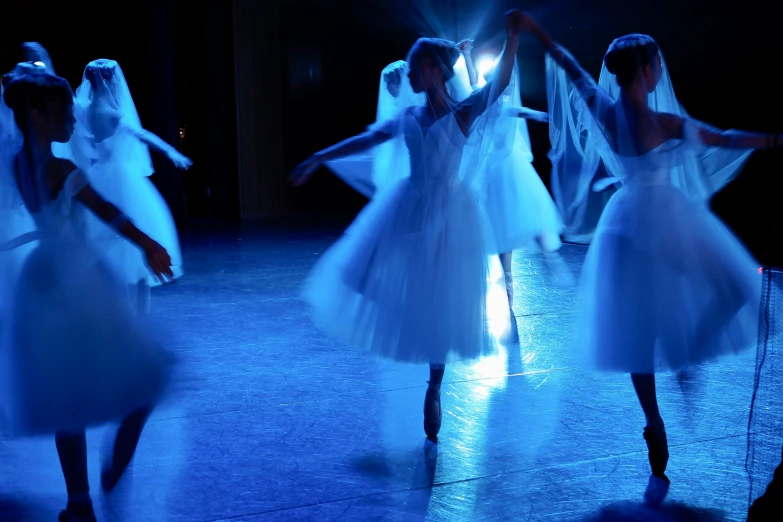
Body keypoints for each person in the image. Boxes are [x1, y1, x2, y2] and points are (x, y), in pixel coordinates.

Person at [520, 13, 783, 481]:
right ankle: (687, 364)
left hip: (626, 226)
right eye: (656, 64)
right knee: (731, 290)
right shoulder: (664, 121)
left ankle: (655, 416)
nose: (661, 71)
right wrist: (771, 139)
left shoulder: (605, 110)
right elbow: (721, 139)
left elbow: (567, 64)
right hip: (666, 220)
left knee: (638, 330)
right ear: (645, 70)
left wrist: (535, 31)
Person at [289, 11, 531, 440]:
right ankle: (397, 312)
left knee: (442, 303)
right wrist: (318, 157)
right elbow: (367, 137)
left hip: (452, 213)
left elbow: (500, 84)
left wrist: (512, 40)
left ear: (436, 71)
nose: (411, 73)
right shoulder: (409, 118)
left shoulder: (463, 111)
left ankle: (434, 388)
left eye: (416, 65)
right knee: (361, 272)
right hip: (411, 203)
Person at [0, 72, 174, 522]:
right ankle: (111, 468)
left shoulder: (18, 161)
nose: (74, 123)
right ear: (37, 115)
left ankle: (79, 503)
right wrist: (149, 244)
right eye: (64, 114)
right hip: (80, 278)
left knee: (64, 394)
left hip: (45, 278)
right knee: (148, 375)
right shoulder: (59, 168)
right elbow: (109, 212)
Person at [69, 59, 191, 315]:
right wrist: (171, 152)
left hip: (99, 177)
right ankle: (138, 323)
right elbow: (143, 135)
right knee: (135, 264)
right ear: (113, 81)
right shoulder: (114, 113)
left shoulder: (84, 108)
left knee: (116, 256)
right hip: (124, 181)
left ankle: (124, 320)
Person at [456, 38, 563, 305]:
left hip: (506, 168)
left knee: (522, 213)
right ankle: (507, 280)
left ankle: (540, 260)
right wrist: (468, 55)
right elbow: (473, 81)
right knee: (501, 225)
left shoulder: (503, 104)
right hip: (491, 170)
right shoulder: (485, 97)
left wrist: (541, 116)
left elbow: (522, 110)